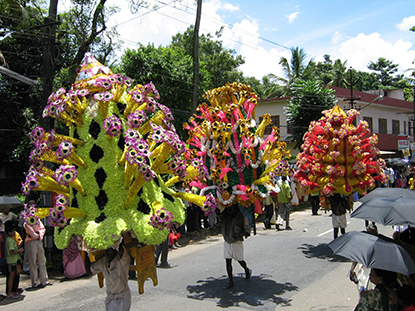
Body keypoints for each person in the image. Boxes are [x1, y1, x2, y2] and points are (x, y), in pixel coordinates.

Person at [90, 243, 131, 311]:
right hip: (110, 297)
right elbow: (90, 270)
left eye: (109, 249)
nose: (106, 252)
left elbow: (121, 249)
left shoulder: (122, 259)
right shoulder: (103, 261)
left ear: (115, 249)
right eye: (105, 249)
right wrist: (82, 254)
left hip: (122, 297)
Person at [220, 203, 251, 290]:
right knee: (228, 260)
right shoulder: (225, 214)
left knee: (240, 260)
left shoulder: (241, 215)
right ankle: (231, 281)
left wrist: (241, 234)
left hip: (237, 241)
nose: (230, 209)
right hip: (227, 239)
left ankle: (246, 269)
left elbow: (247, 227)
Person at [24, 205, 51, 288]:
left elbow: (42, 228)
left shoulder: (37, 220)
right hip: (31, 241)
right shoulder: (26, 221)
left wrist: (40, 235)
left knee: (42, 260)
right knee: (33, 262)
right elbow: (29, 230)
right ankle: (34, 281)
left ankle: (44, 280)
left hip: (38, 240)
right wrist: (35, 235)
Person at [349, 224, 378, 290]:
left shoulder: (379, 244)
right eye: (368, 233)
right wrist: (352, 269)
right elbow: (357, 256)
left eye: (372, 233)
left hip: (374, 272)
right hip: (364, 271)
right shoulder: (363, 243)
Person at [4, 221, 23, 299]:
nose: (14, 232)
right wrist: (19, 251)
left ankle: (11, 291)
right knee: (11, 276)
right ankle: (9, 293)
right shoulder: (10, 240)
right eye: (12, 231)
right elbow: (11, 252)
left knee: (14, 275)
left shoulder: (10, 239)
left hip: (14, 260)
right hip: (11, 261)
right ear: (9, 232)